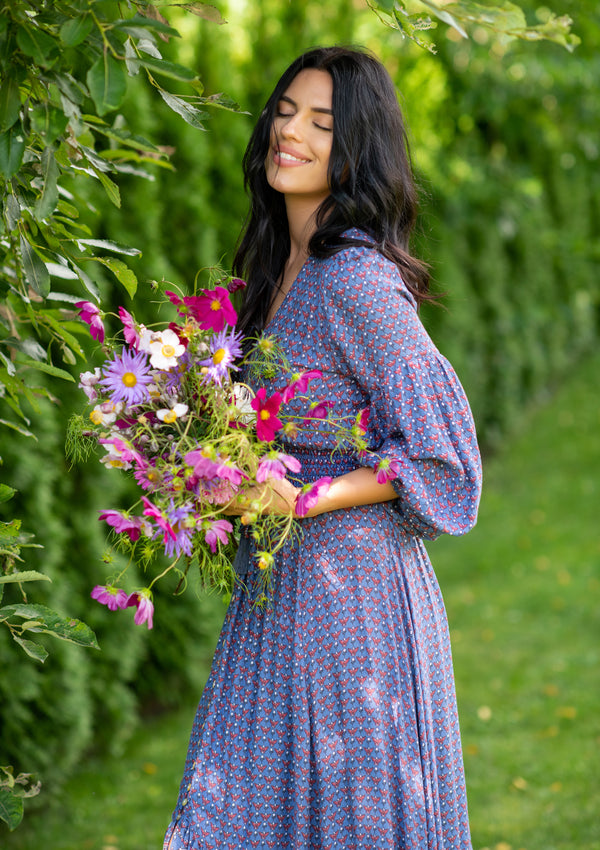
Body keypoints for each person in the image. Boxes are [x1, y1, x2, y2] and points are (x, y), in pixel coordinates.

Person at [164, 46, 482, 850]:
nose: (290, 132)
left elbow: (447, 458)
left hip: (354, 608)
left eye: (322, 122)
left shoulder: (356, 282)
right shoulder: (277, 267)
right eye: (284, 111)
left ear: (356, 150)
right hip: (277, 596)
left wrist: (302, 497)